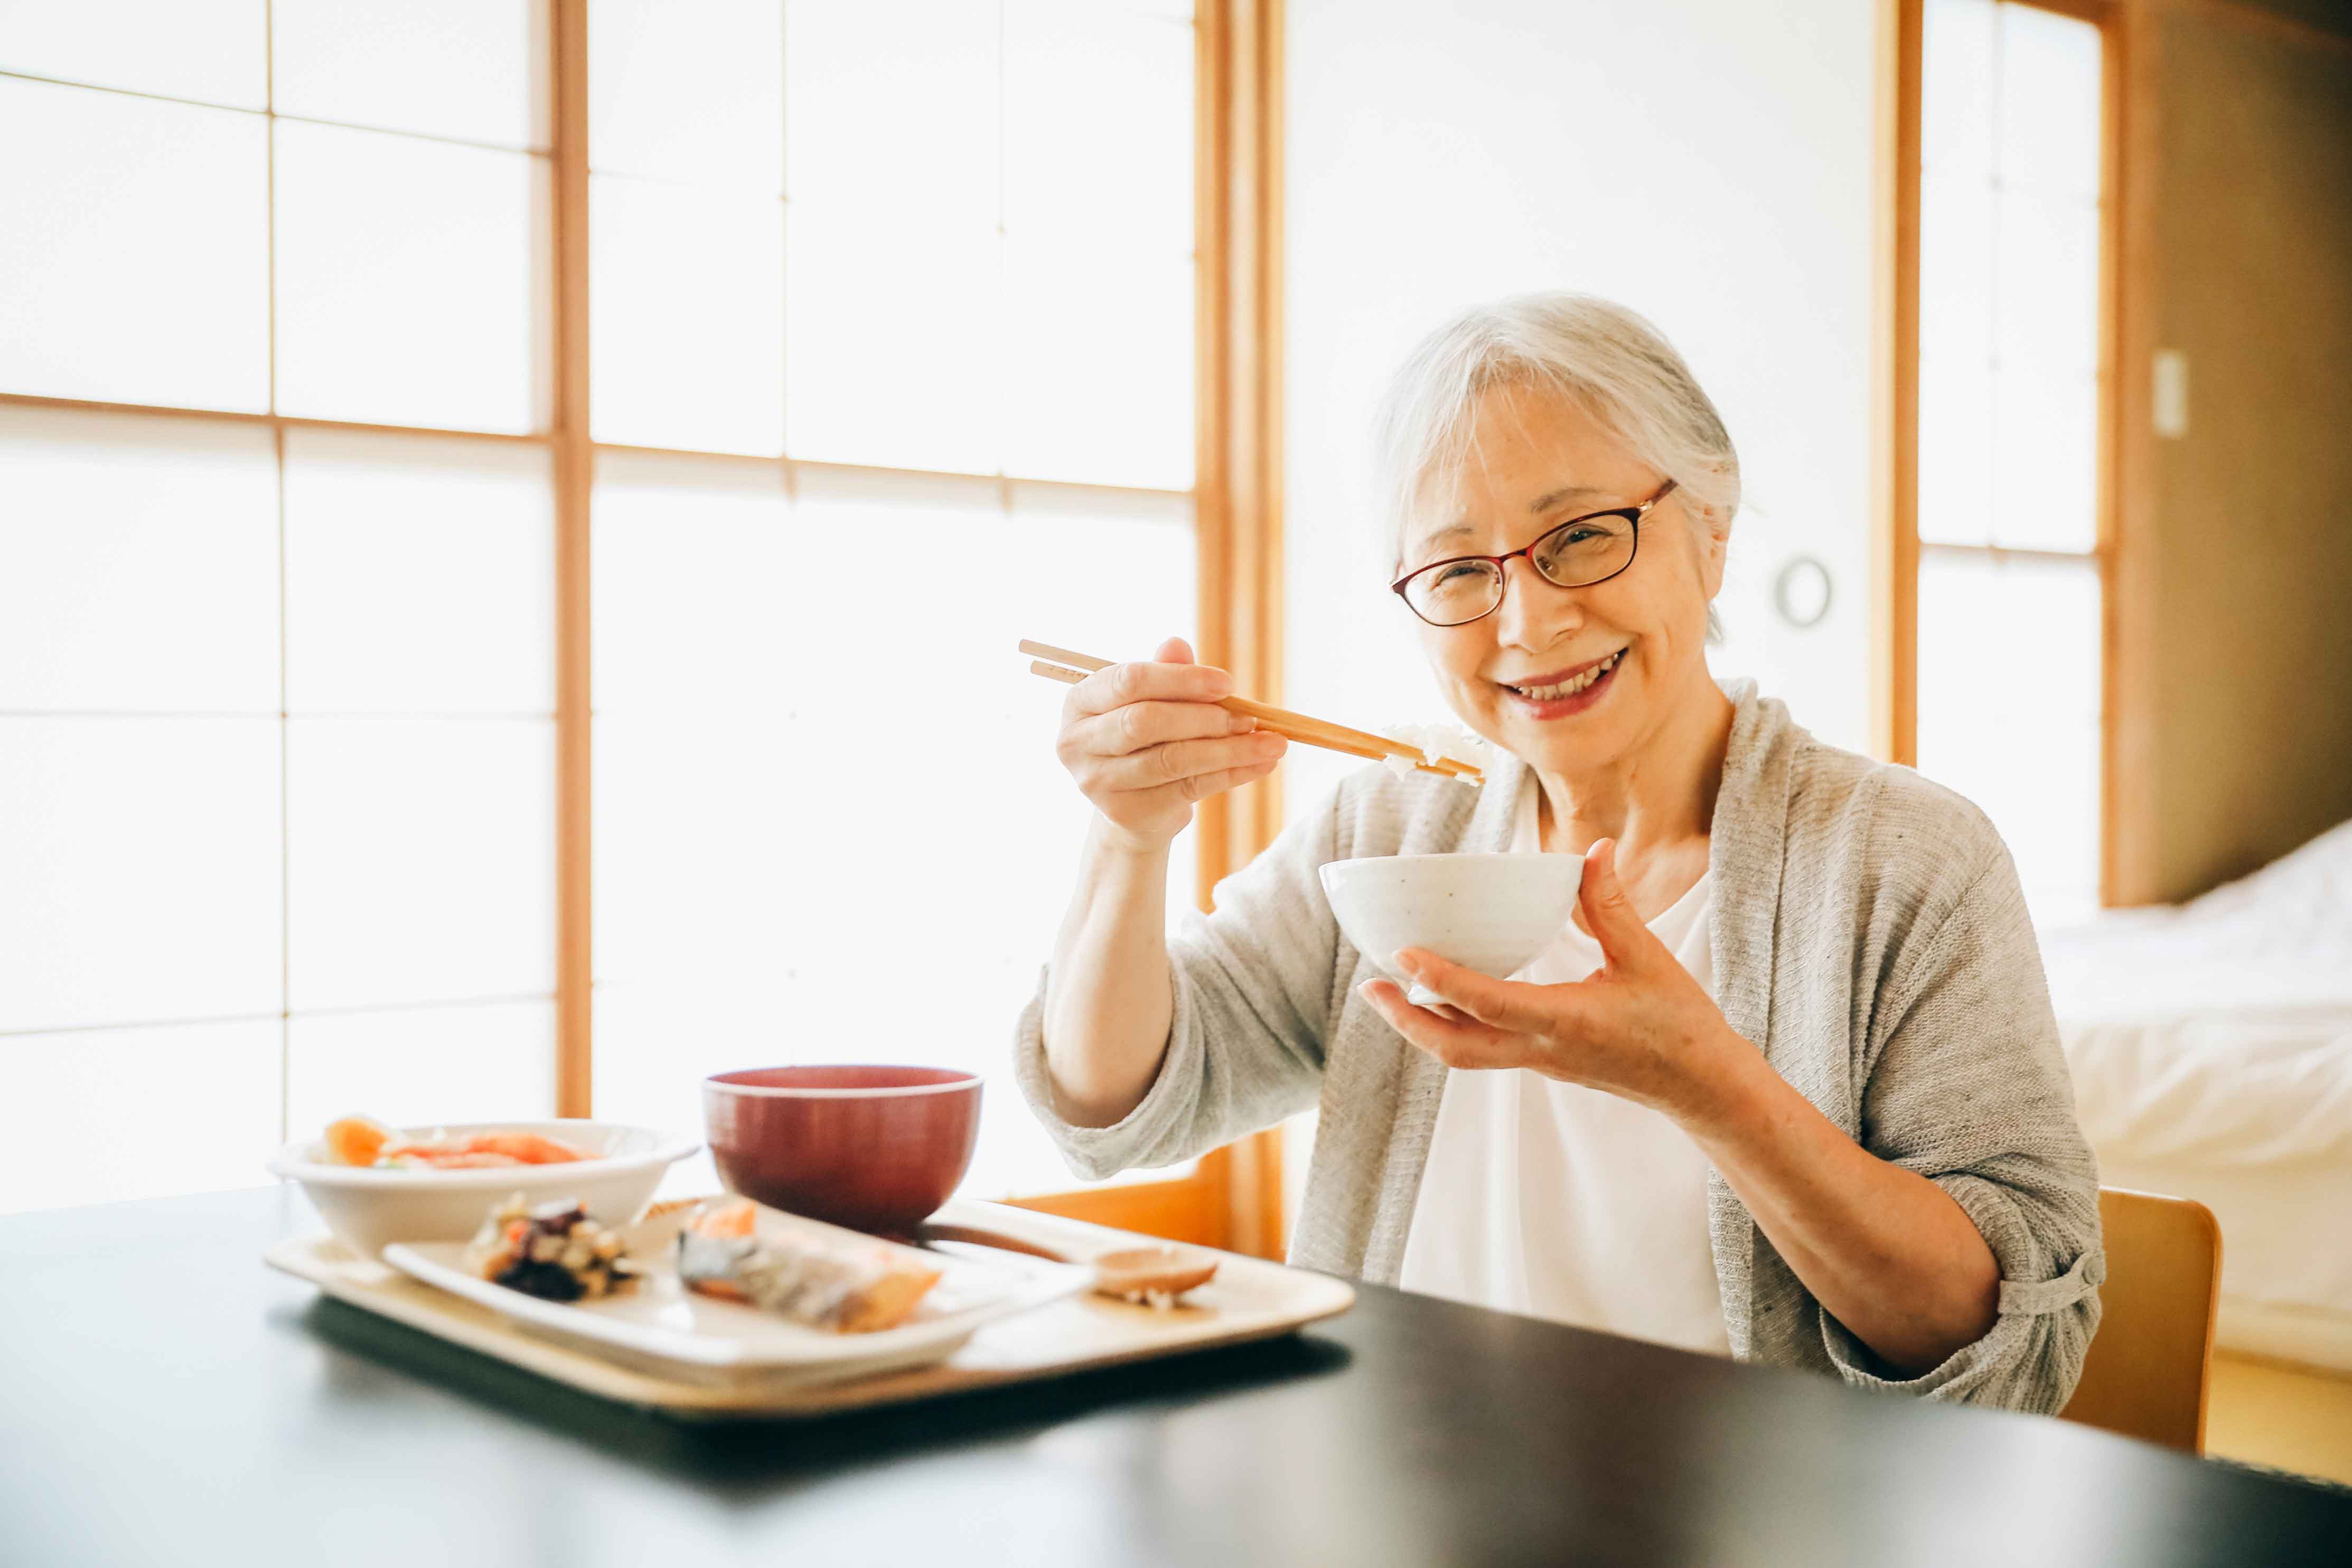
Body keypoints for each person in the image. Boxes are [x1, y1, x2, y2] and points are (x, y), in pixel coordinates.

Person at [1015, 292, 2102, 1411]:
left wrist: (1709, 1087)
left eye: (1581, 537)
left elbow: (2012, 1351)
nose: (1527, 627)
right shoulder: (1394, 836)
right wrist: (1126, 838)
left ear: (1712, 529)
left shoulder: (1903, 863)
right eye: (1457, 572)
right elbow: (1118, 1104)